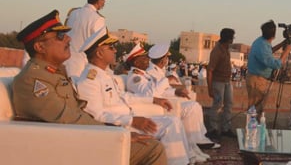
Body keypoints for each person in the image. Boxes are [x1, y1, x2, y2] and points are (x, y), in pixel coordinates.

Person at [12, 10, 167, 165]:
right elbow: (67, 119)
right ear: (39, 46)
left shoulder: (55, 72)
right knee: (153, 149)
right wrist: (116, 132)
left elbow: (79, 112)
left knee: (151, 143)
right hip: (67, 146)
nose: (68, 38)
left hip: (80, 136)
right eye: (59, 36)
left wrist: (116, 130)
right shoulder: (33, 80)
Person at [76, 29, 201, 165]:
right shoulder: (89, 80)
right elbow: (96, 116)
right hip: (119, 127)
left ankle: (185, 160)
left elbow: (124, 96)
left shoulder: (104, 75)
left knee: (174, 121)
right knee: (170, 125)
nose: (115, 51)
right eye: (111, 47)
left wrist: (153, 100)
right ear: (99, 53)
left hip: (129, 118)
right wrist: (131, 121)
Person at [124, 44, 218, 156]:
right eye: (144, 58)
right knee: (186, 111)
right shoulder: (136, 78)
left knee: (192, 106)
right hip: (151, 109)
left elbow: (159, 91)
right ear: (136, 63)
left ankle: (193, 143)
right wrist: (166, 80)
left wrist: (175, 92)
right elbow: (151, 94)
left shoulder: (144, 75)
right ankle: (189, 148)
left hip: (159, 104)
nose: (148, 60)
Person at [246, 20, 291, 115]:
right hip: (257, 80)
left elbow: (269, 51)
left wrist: (281, 44)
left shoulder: (261, 41)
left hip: (256, 78)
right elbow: (276, 65)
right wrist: (286, 51)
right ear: (273, 34)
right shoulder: (262, 45)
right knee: (255, 109)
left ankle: (255, 127)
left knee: (256, 108)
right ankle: (253, 128)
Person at [64, 0, 110, 79]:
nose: (104, 3)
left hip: (65, 60)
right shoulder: (98, 19)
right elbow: (100, 45)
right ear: (100, 0)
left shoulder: (73, 13)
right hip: (82, 66)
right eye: (104, 0)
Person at [206, 28, 235, 139]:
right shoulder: (217, 51)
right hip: (218, 82)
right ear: (229, 39)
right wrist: (210, 89)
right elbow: (210, 70)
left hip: (227, 82)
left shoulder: (226, 48)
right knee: (217, 105)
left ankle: (225, 128)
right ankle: (214, 129)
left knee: (228, 105)